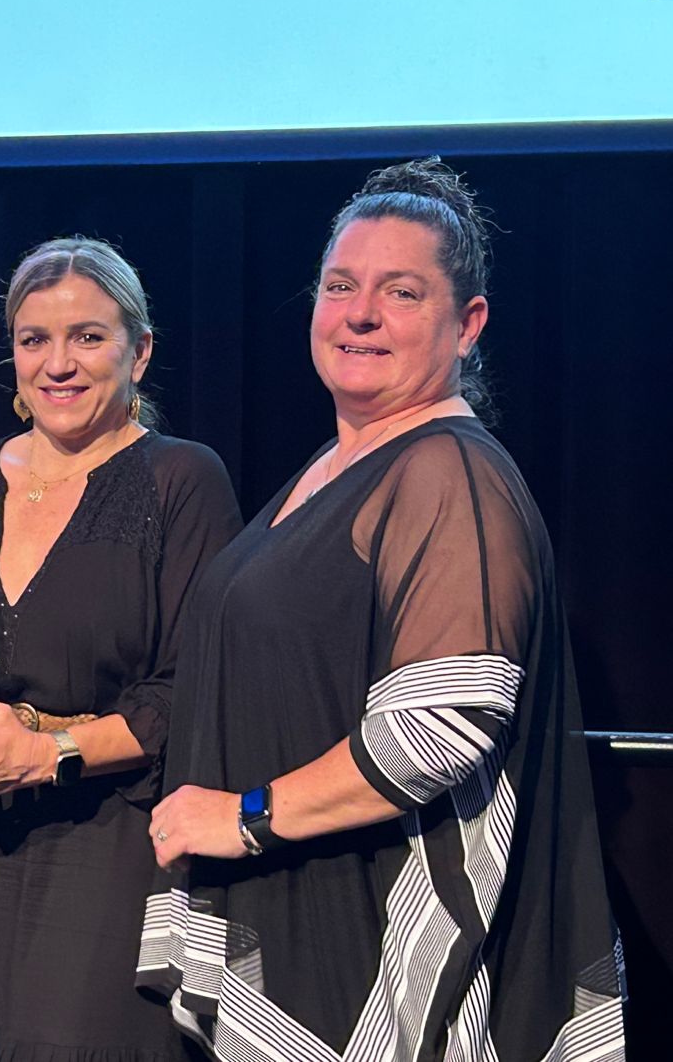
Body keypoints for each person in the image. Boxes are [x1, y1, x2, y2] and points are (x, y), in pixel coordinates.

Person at [141, 159, 626, 1059]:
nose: (360, 314)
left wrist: (246, 815)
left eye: (401, 292)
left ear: (467, 324)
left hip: (373, 957)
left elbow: (440, 726)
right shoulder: (335, 469)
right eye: (340, 286)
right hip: (304, 924)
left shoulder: (449, 471)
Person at [0, 237, 242, 1059]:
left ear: (139, 352)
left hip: (109, 849)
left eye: (88, 337)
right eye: (34, 339)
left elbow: (191, 693)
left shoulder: (181, 480)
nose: (58, 364)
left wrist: (48, 753)